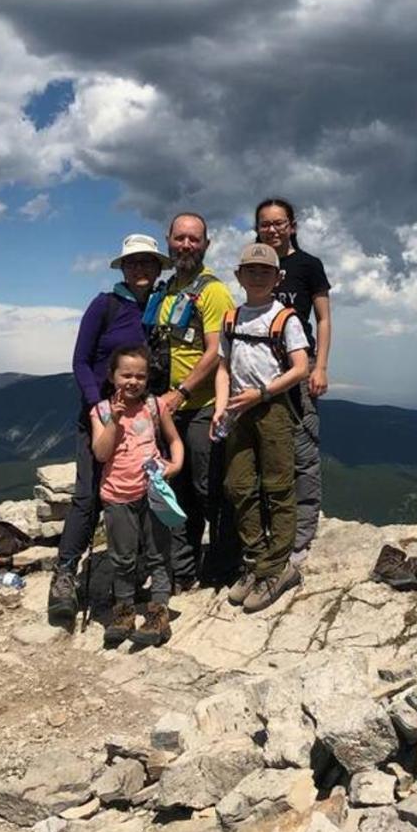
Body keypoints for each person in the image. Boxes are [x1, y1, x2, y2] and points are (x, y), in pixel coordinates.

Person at [48, 234, 171, 629]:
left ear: (157, 268)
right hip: (100, 414)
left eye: (148, 263)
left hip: (141, 417)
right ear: (123, 267)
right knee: (88, 495)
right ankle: (65, 574)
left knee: (141, 493)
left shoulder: (162, 307)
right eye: (133, 262)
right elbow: (81, 360)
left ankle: (138, 573)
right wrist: (93, 405)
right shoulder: (105, 305)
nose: (140, 269)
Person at [212, 242, 311, 612]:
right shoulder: (230, 318)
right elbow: (223, 367)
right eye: (250, 270)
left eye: (265, 271)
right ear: (239, 276)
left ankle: (277, 568)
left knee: (277, 487)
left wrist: (262, 393)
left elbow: (301, 368)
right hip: (239, 407)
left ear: (277, 277)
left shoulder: (285, 318)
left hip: (272, 409)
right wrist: (222, 408)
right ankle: (255, 561)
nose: (257, 276)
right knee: (237, 486)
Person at [143, 212, 239, 589]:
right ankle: (182, 570)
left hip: (197, 406)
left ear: (206, 244)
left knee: (207, 488)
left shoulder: (212, 291)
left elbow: (217, 350)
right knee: (174, 489)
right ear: (168, 239)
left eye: (194, 239)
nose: (186, 245)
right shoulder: (164, 291)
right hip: (165, 409)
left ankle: (223, 563)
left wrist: (180, 392)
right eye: (180, 238)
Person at [254, 197, 332, 565]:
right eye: (266, 224)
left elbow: (323, 318)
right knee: (270, 449)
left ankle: (302, 534)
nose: (272, 229)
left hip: (300, 366)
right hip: (264, 368)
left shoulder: (308, 265)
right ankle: (277, 526)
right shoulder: (258, 264)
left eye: (278, 223)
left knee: (303, 446)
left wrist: (321, 367)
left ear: (292, 226)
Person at [92, 345, 184, 646]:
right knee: (122, 558)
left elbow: (173, 439)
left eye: (140, 376)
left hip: (152, 491)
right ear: (112, 376)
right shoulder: (102, 411)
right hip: (117, 495)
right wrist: (114, 422)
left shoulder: (155, 406)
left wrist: (176, 464)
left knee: (158, 554)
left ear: (147, 379)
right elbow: (101, 453)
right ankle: (124, 611)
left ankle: (158, 614)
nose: (133, 381)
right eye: (126, 375)